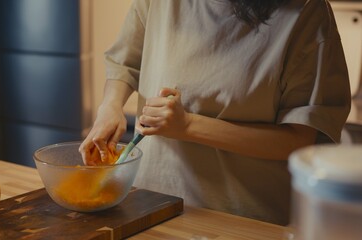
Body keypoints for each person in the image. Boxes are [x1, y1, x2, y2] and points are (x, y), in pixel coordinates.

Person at [79, 0, 351, 225]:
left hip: (241, 219)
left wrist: (188, 126)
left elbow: (298, 140)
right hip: (149, 204)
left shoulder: (306, 14)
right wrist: (110, 107)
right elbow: (126, 61)